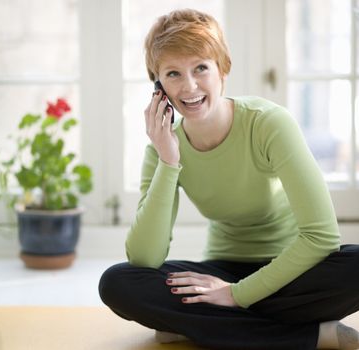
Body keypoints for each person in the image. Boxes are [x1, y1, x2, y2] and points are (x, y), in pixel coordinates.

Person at [98, 8, 359, 350]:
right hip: (220, 269)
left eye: (201, 68)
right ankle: (313, 335)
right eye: (173, 73)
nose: (189, 86)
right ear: (158, 87)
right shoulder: (163, 149)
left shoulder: (267, 123)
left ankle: (198, 325)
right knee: (117, 283)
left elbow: (321, 237)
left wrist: (235, 295)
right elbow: (145, 258)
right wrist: (169, 160)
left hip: (292, 270)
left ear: (223, 69)